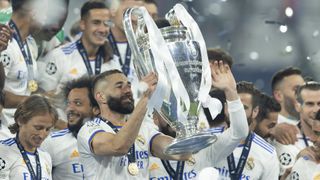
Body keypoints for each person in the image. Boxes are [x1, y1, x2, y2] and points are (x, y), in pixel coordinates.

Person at [77, 60, 248, 179]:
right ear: (101, 97)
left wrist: (229, 92)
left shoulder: (143, 129)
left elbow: (180, 153)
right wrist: (145, 98)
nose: (128, 89)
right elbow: (119, 146)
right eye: (119, 86)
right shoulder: (90, 130)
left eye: (129, 85)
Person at [37, 1, 118, 127]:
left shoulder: (112, 62)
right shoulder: (60, 56)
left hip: (98, 135)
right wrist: (65, 127)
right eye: (96, 23)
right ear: (83, 24)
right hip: (62, 133)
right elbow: (41, 98)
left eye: (106, 24)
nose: (103, 29)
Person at [149, 79, 249, 179]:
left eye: (180, 109)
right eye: (168, 110)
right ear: (155, 117)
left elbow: (239, 132)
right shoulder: (144, 150)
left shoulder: (203, 149)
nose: (176, 116)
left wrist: (230, 90)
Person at [212, 81, 280, 179]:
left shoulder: (267, 154)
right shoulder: (205, 141)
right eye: (232, 106)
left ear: (255, 111)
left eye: (243, 107)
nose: (236, 112)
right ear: (225, 107)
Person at [0, 0, 48, 138]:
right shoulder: (4, 41)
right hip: (4, 132)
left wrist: (42, 94)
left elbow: (23, 87)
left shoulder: (30, 43)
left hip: (21, 132)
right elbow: (1, 94)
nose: (47, 17)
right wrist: (38, 101)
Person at [41, 76, 99, 180]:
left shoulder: (112, 141)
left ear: (95, 109)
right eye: (69, 103)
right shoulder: (52, 143)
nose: (69, 109)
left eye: (77, 103)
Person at [0, 95, 58, 179]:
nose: (42, 135)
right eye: (38, 128)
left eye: (48, 129)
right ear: (21, 121)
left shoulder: (46, 157)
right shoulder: (2, 151)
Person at [275, 81, 320, 176]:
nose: (316, 110)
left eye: (319, 104)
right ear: (298, 106)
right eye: (310, 104)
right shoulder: (284, 139)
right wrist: (298, 161)